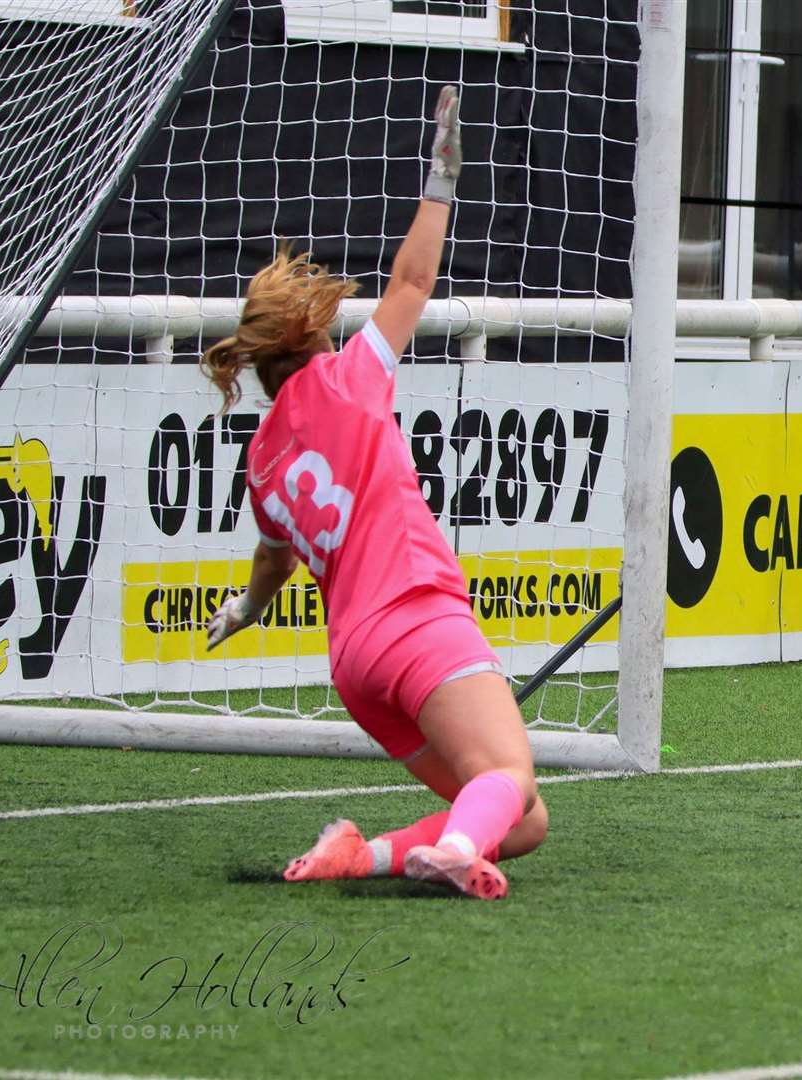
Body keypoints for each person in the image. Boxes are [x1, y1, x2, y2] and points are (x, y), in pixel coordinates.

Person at [201, 86, 546, 900]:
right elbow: (414, 281)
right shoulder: (350, 378)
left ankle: (365, 855)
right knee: (507, 771)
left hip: (356, 663)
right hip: (417, 619)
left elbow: (273, 558)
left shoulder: (261, 463)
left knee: (523, 820)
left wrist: (243, 611)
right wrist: (442, 176)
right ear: (315, 333)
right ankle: (459, 849)